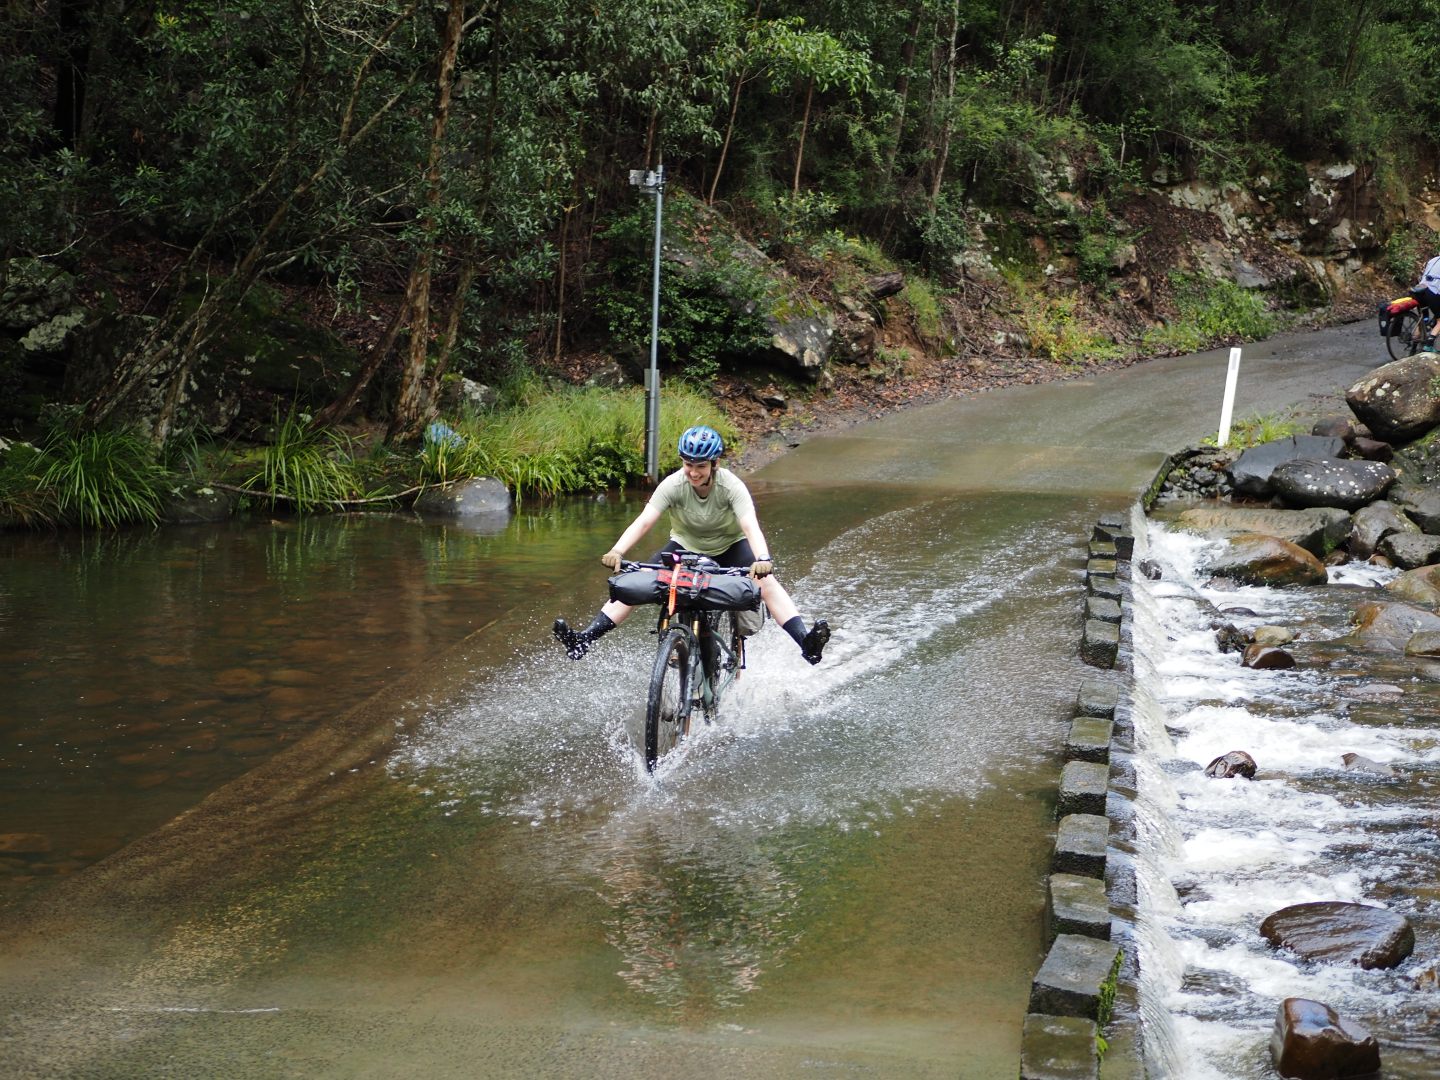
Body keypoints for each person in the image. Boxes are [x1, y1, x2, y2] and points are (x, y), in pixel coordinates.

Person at [553, 425, 831, 665]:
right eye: (688, 464)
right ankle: (584, 639)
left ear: (714, 464)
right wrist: (617, 551)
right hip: (683, 548)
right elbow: (644, 521)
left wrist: (762, 558)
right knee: (638, 580)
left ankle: (805, 643)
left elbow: (750, 525)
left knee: (766, 582)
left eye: (700, 466)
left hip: (730, 548)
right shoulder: (673, 484)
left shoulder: (731, 486)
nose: (693, 472)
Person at [1413, 253, 1440, 350]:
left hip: (1418, 291)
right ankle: (1428, 345)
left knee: (1423, 318)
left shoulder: (1433, 260)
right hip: (1431, 292)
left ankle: (1414, 341)